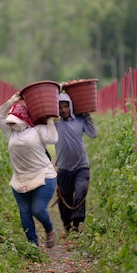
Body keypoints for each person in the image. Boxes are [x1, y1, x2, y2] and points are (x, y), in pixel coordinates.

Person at [0, 92, 58, 248]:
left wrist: (50, 122)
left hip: (43, 175)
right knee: (24, 213)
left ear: (24, 119)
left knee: (37, 209)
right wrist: (11, 101)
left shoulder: (38, 130)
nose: (12, 124)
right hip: (20, 178)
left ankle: (50, 230)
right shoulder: (10, 133)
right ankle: (32, 247)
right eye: (11, 122)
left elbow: (52, 139)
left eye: (15, 121)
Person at [54, 92, 97, 233]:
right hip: (63, 168)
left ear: (71, 107)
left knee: (81, 191)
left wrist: (87, 115)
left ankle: (76, 224)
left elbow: (93, 134)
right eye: (60, 107)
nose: (63, 110)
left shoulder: (80, 120)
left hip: (81, 166)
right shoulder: (55, 122)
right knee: (64, 200)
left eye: (66, 106)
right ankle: (66, 225)